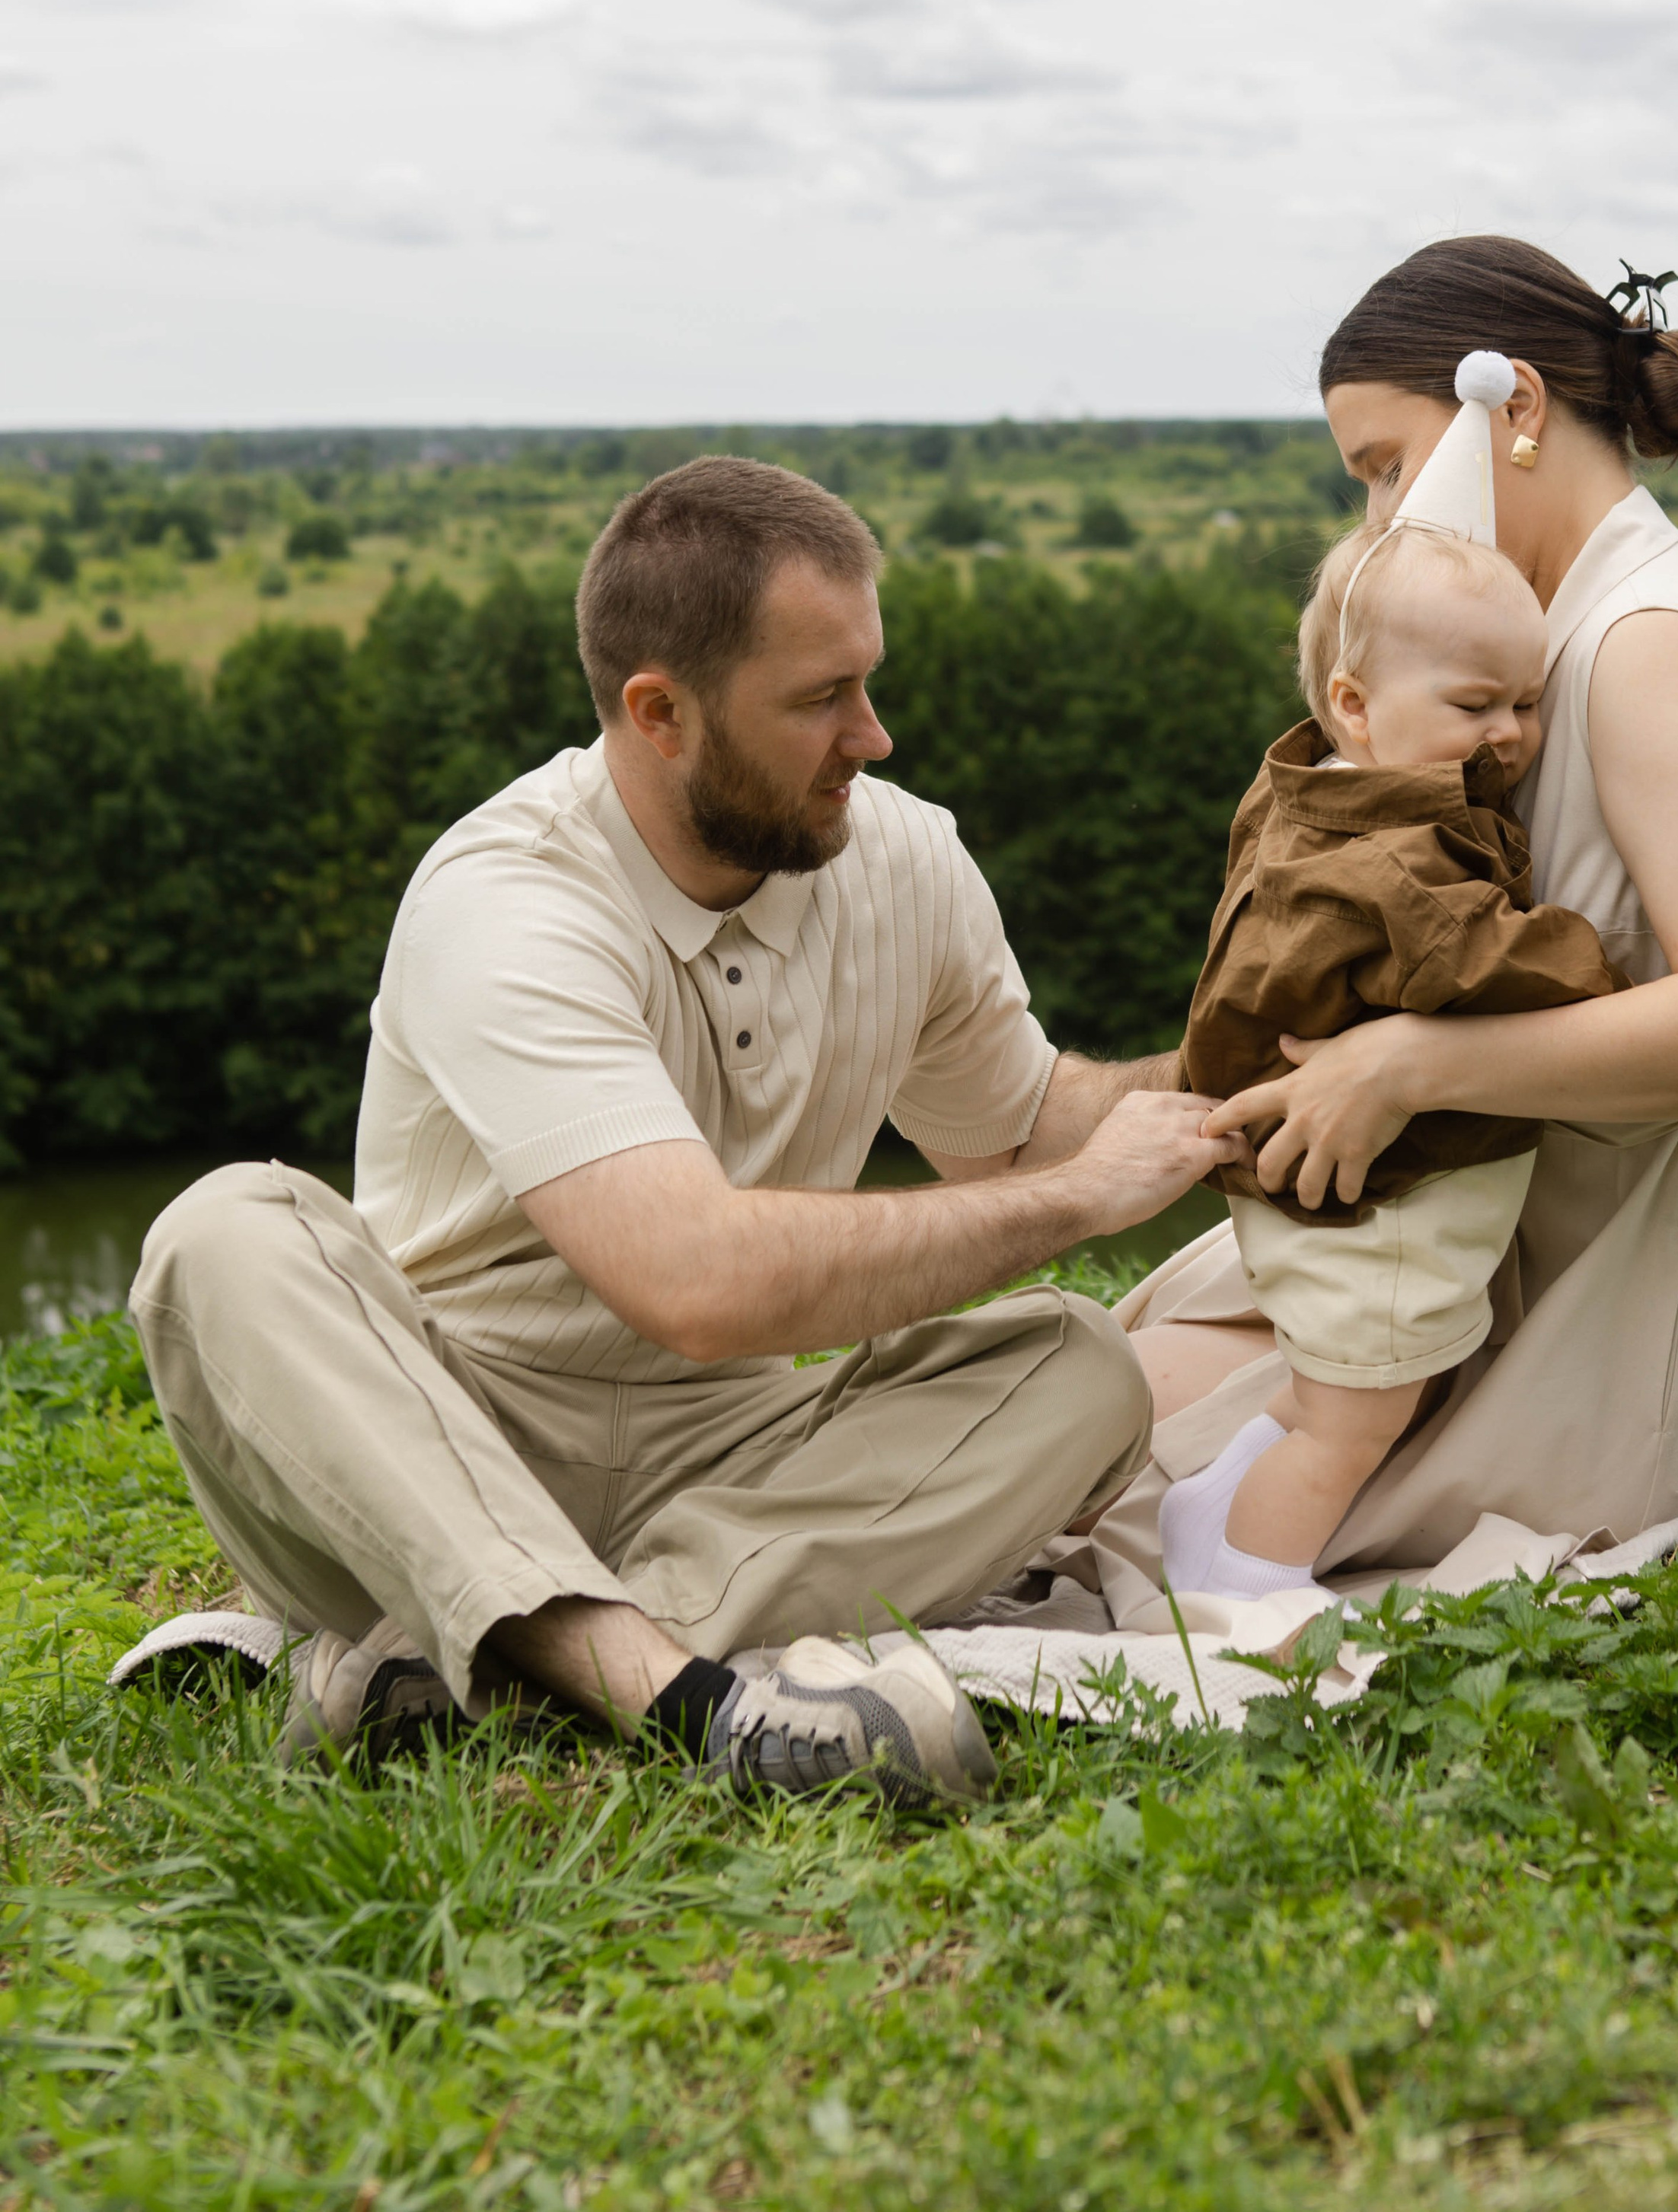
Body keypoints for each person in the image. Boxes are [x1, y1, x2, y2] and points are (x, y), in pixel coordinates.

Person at [129, 458, 1241, 1801]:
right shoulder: (508, 901)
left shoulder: (902, 860)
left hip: (730, 1464)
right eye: (822, 699)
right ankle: (684, 1696)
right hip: (438, 1435)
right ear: (659, 712)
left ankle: (456, 1668)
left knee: (1078, 1365)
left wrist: (1255, 1054)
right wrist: (1076, 1204)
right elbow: (697, 1285)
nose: (873, 735)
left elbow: (1020, 1135)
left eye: (866, 681)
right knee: (224, 1232)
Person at [1073, 237, 1678, 1627]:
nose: (1378, 516)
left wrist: (1411, 1067)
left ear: (1522, 411)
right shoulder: (1533, 642)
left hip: (1644, 1256)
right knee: (1083, 1394)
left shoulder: (1649, 641)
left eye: (1386, 464)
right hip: (1499, 1199)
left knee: (1109, 1480)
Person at [1159, 518, 1619, 1605]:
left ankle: (1205, 1512)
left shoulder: (1301, 787)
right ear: (1355, 704)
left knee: (1323, 1392)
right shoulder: (1407, 865)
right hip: (1385, 1203)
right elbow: (1509, 971)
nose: (1510, 733)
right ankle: (1250, 1584)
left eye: (1525, 702)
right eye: (1474, 707)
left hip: (1295, 1174)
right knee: (1358, 1419)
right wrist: (1601, 951)